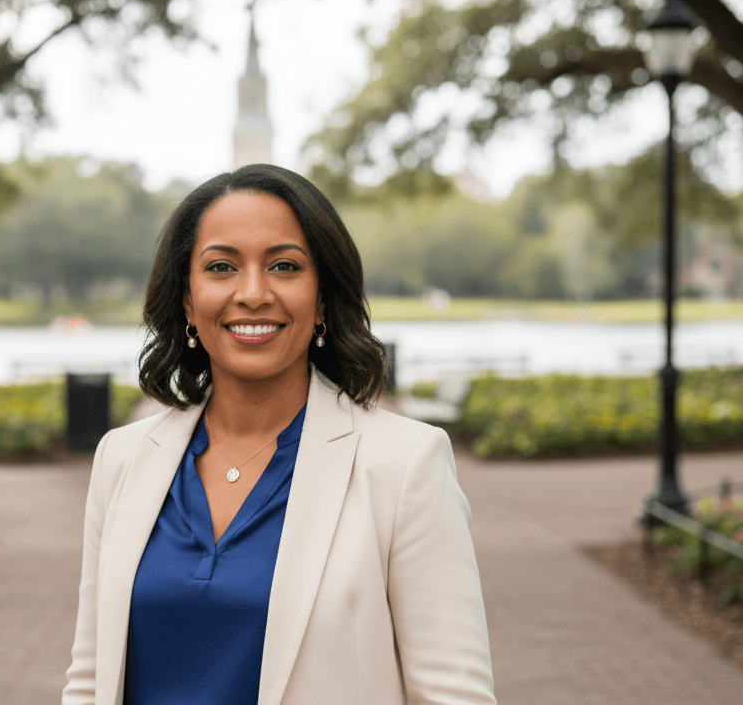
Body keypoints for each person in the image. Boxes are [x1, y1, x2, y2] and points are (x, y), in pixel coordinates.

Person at [63, 164, 495, 705]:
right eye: (221, 267)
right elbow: (89, 679)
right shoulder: (121, 459)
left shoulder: (405, 465)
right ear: (187, 301)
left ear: (322, 299)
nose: (253, 293)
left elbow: (455, 696)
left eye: (284, 266)